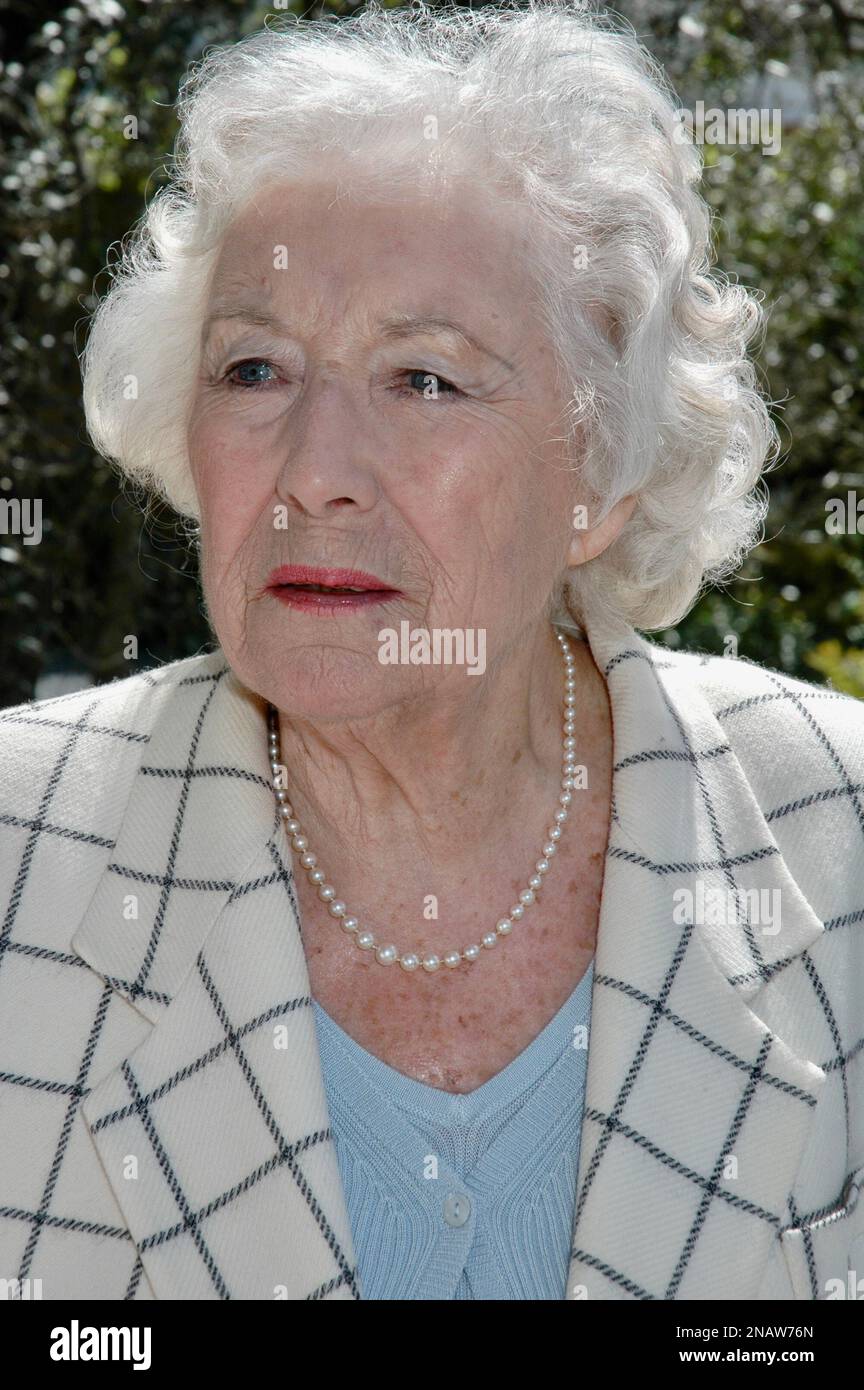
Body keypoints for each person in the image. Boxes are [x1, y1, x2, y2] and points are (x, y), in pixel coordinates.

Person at [1, 0, 862, 1302]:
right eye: (253, 370)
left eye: (424, 380)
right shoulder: (22, 854)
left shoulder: (837, 832)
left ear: (604, 474)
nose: (314, 474)